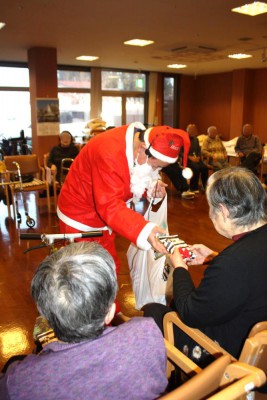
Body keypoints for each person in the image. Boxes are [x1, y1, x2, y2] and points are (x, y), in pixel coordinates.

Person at [0, 242, 168, 400]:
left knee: (13, 362)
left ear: (47, 320)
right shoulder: (147, 332)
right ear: (110, 313)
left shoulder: (21, 383)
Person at [143, 166, 267, 364]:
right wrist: (213, 257)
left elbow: (191, 313)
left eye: (211, 208)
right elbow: (252, 269)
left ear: (224, 211)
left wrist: (180, 266)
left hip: (234, 355)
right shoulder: (242, 254)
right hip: (259, 334)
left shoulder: (231, 263)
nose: (210, 214)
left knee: (153, 312)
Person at [57, 122, 191, 273]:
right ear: (142, 148)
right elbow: (109, 204)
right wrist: (144, 229)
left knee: (109, 267)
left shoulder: (138, 142)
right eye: (155, 166)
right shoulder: (109, 151)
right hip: (79, 215)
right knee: (84, 274)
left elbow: (136, 175)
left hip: (105, 216)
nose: (155, 171)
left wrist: (152, 185)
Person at [185, 123, 209, 192]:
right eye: (191, 130)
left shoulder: (196, 139)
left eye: (194, 130)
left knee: (204, 167)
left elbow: (199, 150)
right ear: (187, 131)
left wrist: (198, 157)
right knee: (196, 168)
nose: (193, 132)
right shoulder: (184, 139)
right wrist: (189, 157)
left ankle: (204, 186)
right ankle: (193, 187)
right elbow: (180, 152)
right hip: (187, 160)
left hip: (196, 159)